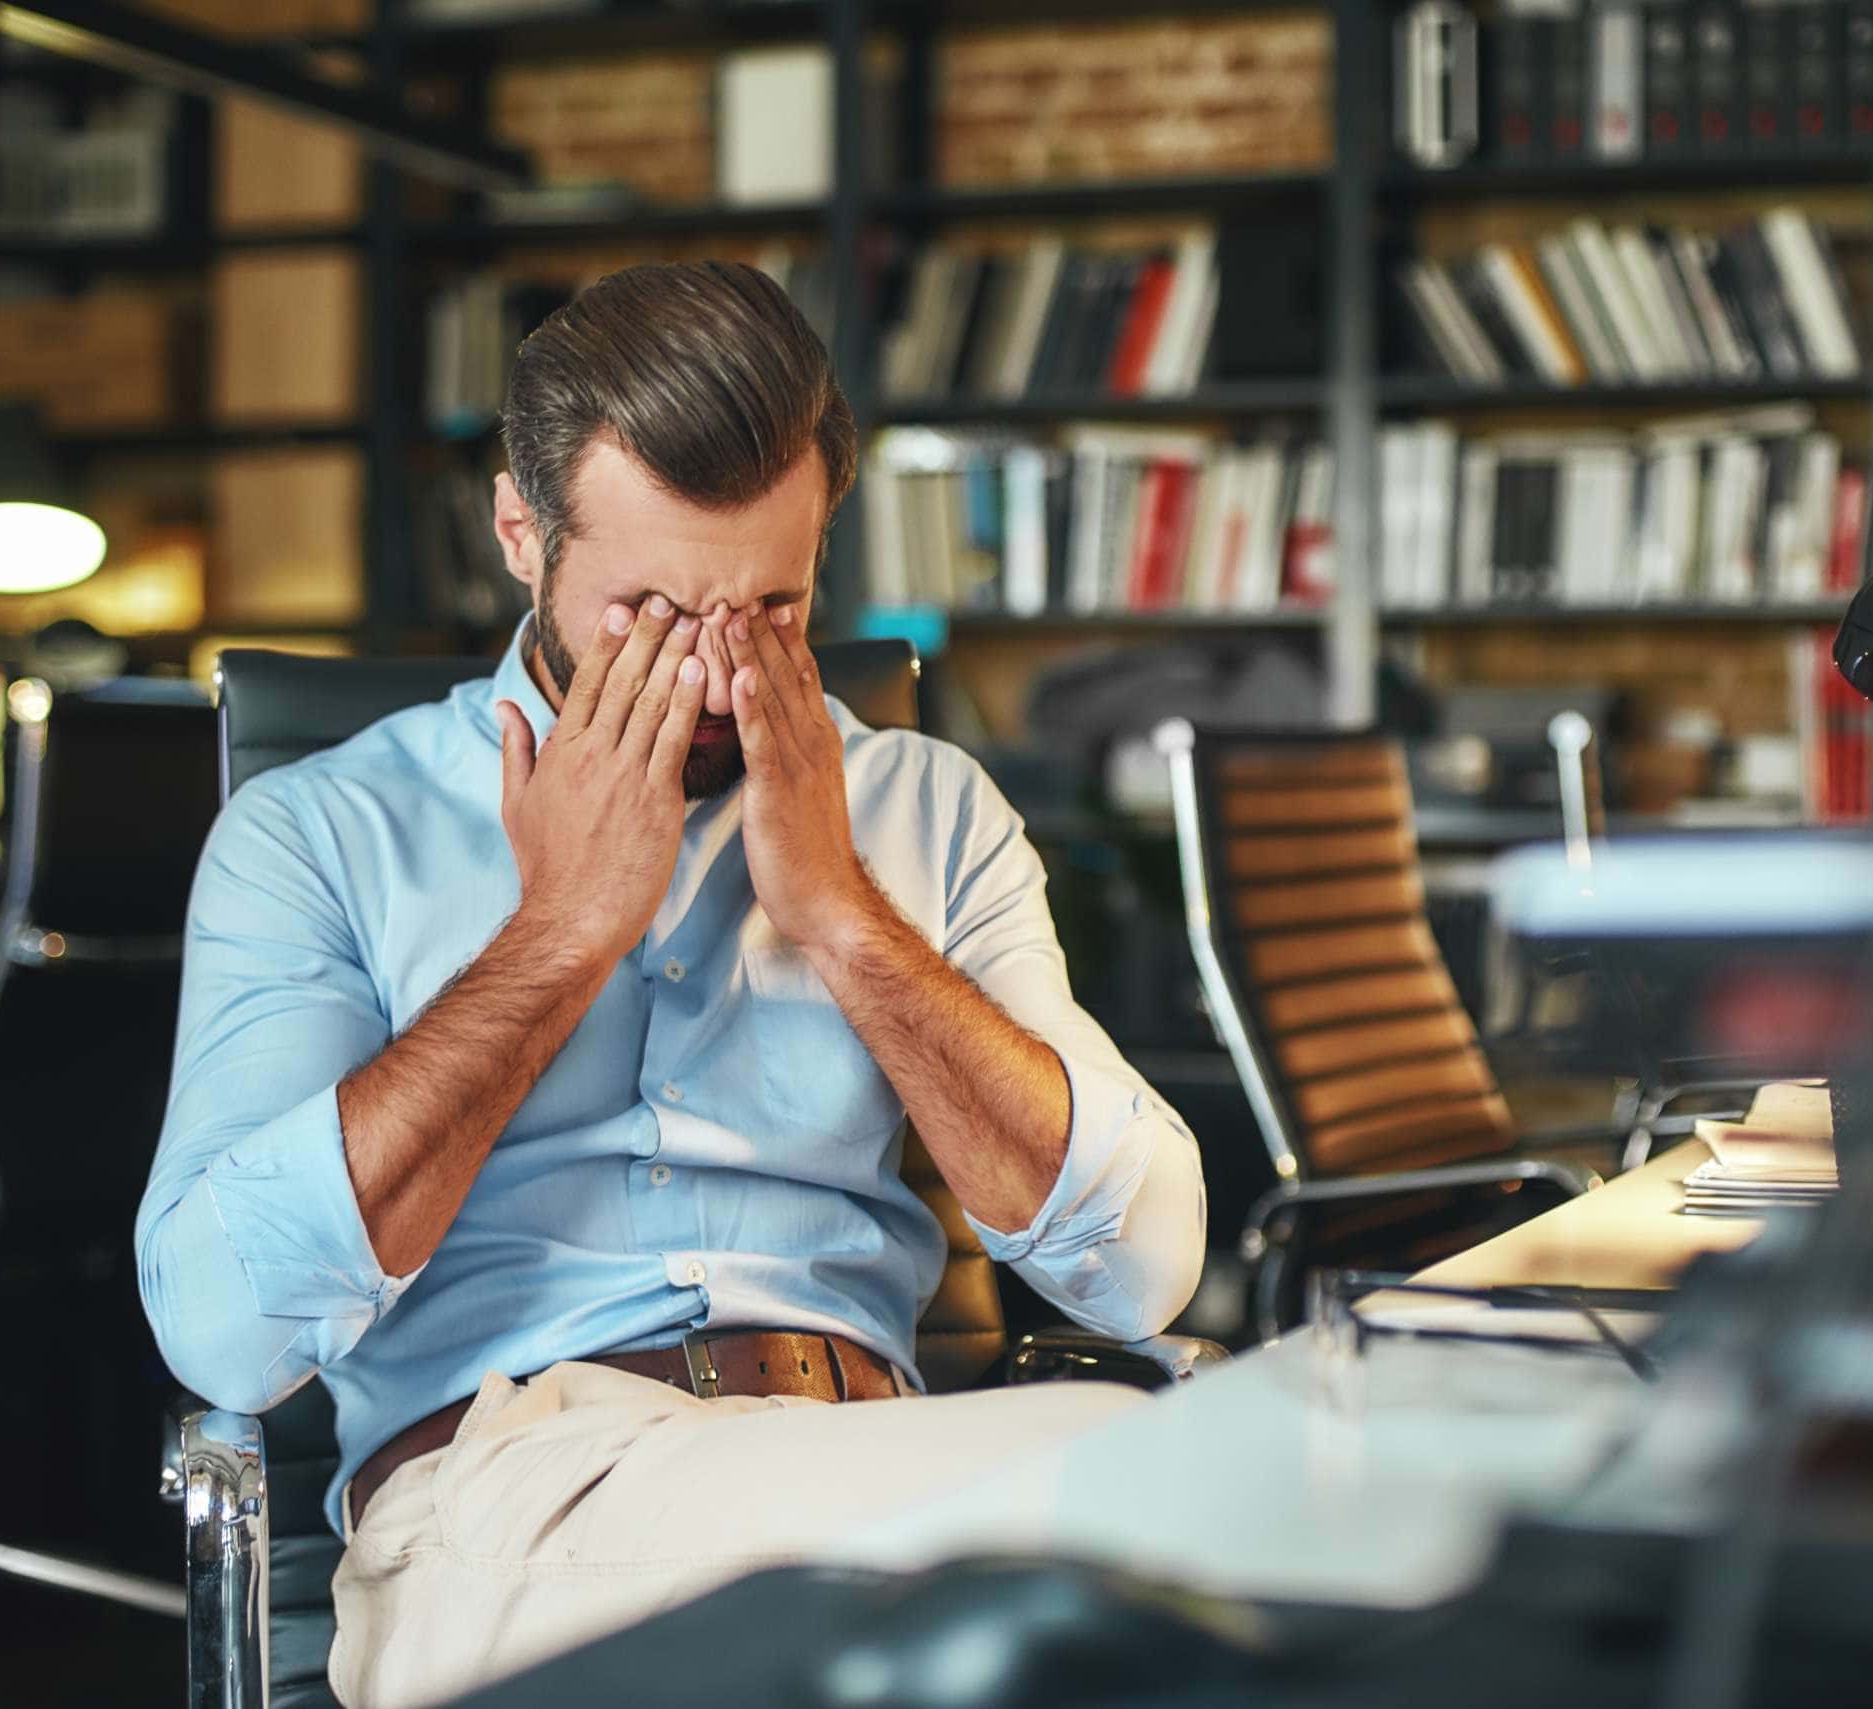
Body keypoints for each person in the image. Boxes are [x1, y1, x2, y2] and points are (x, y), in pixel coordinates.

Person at [136, 261, 1207, 1709]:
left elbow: (1142, 1266)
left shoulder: (923, 812)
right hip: (507, 1500)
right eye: (649, 608)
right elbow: (223, 1330)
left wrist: (844, 916)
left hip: (859, 1451)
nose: (713, 677)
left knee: (1164, 1488)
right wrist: (560, 933)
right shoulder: (318, 833)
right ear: (522, 532)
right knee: (1142, 1510)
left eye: (771, 606)